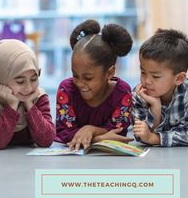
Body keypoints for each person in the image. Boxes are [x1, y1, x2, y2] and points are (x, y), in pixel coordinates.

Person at [56, 19, 133, 151]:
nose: (80, 83)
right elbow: (63, 132)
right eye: (75, 75)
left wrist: (90, 130)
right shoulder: (66, 90)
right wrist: (99, 138)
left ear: (109, 73)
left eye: (88, 77)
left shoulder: (122, 93)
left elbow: (118, 133)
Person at [132, 28, 188, 147]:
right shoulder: (139, 93)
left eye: (155, 76)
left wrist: (153, 138)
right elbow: (140, 135)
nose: (146, 81)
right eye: (143, 72)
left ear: (179, 78)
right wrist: (155, 108)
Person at [0, 39, 55, 149]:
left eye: (34, 79)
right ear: (0, 77)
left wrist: (30, 105)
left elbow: (46, 140)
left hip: (28, 164)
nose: (28, 88)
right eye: (20, 81)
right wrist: (11, 107)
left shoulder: (38, 96)